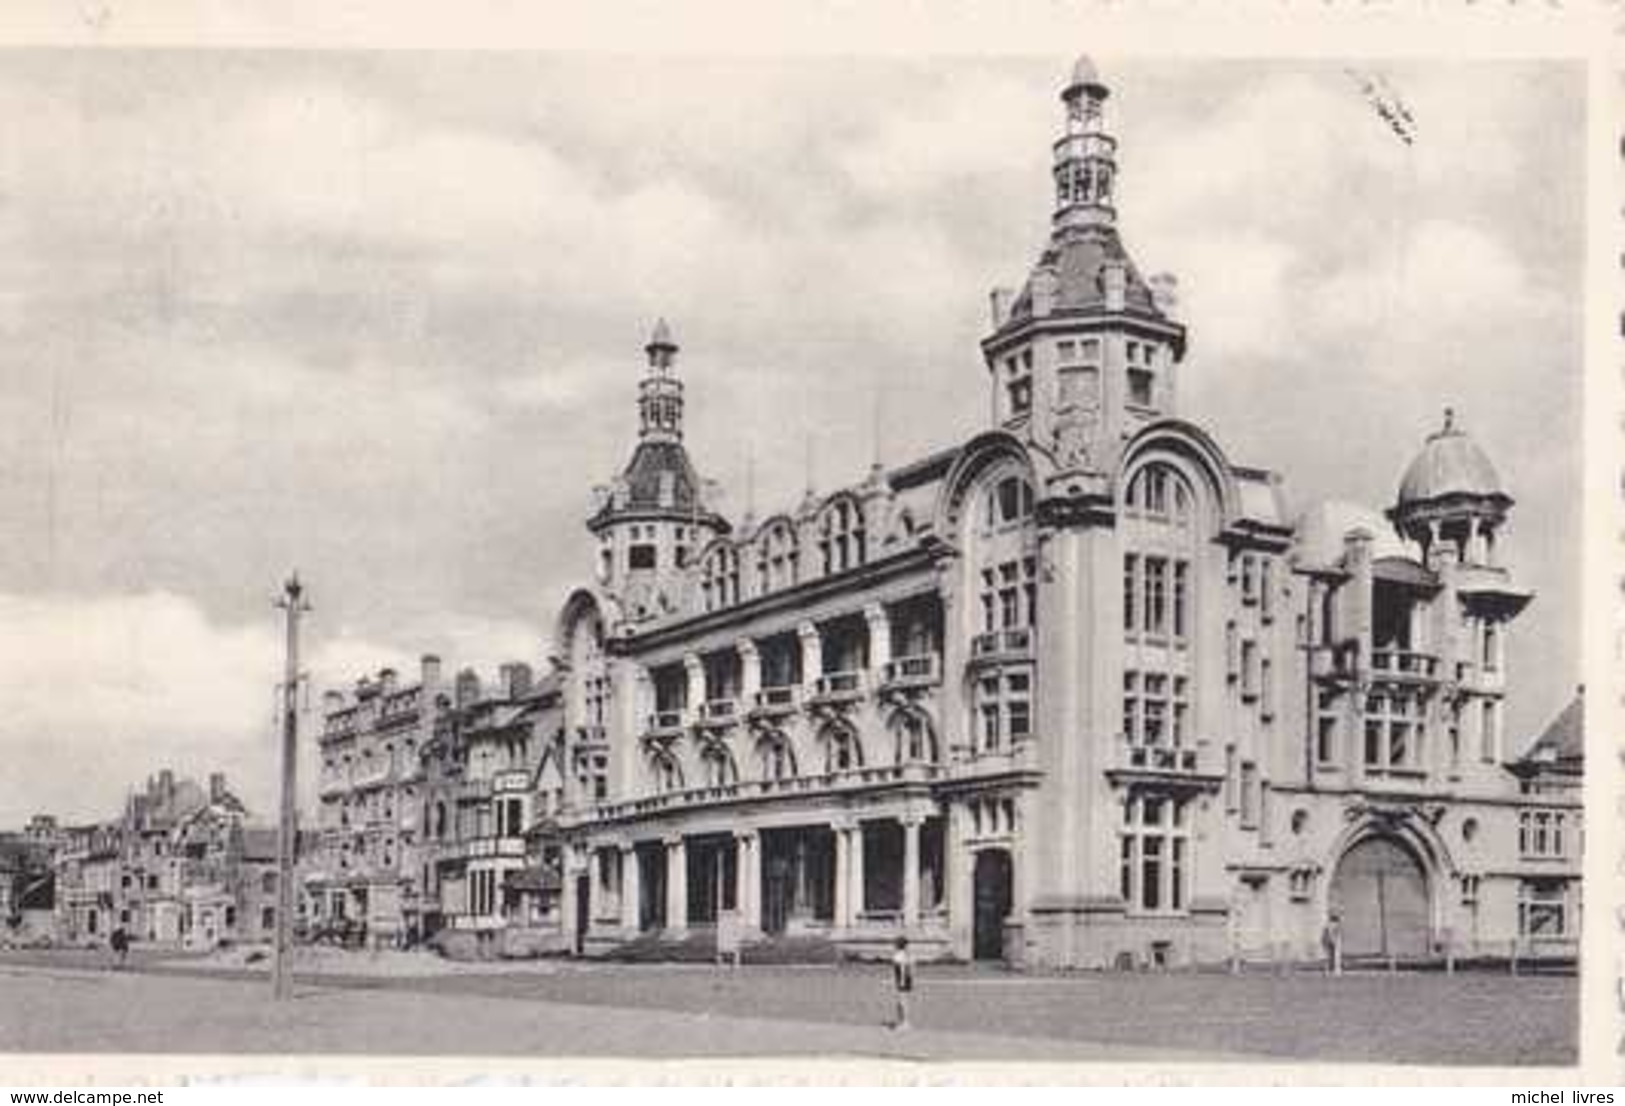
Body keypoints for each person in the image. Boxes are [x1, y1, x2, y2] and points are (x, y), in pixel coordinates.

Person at [889, 935, 915, 1030]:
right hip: (907, 979)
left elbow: (902, 968)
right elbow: (911, 967)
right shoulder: (908, 955)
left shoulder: (898, 956)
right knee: (903, 1002)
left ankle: (905, 1023)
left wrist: (901, 981)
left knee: (902, 1002)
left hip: (902, 979)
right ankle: (903, 1021)